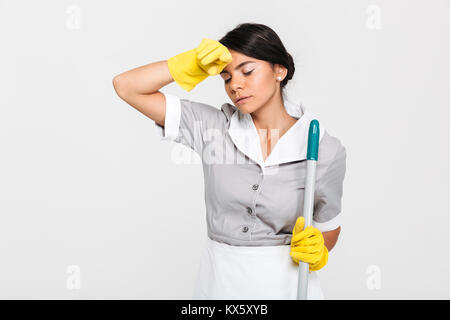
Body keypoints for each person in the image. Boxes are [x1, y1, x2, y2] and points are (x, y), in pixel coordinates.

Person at [112, 22, 347, 300]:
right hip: (220, 283)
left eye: (247, 71)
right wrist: (187, 65)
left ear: (279, 71)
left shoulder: (322, 148)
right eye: (226, 77)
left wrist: (319, 249)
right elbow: (126, 87)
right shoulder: (212, 129)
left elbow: (329, 228)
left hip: (287, 286)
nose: (235, 85)